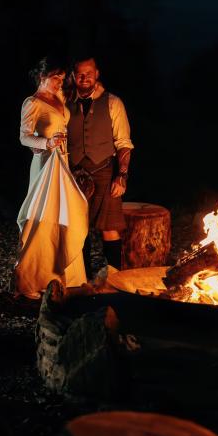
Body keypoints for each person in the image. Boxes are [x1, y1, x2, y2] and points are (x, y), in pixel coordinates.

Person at [14, 56, 88, 299]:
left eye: (62, 78)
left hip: (62, 162)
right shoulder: (32, 103)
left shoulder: (60, 98)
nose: (60, 82)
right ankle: (31, 279)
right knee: (42, 215)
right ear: (42, 76)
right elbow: (24, 137)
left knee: (63, 213)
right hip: (45, 164)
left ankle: (62, 276)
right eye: (56, 78)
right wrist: (46, 142)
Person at [67, 56, 133, 273]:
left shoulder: (113, 102)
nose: (84, 78)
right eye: (80, 74)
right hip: (74, 173)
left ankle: (114, 279)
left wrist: (121, 176)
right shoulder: (66, 103)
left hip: (104, 170)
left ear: (97, 74)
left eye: (89, 73)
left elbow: (123, 143)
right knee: (78, 229)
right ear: (74, 76)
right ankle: (82, 279)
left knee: (110, 228)